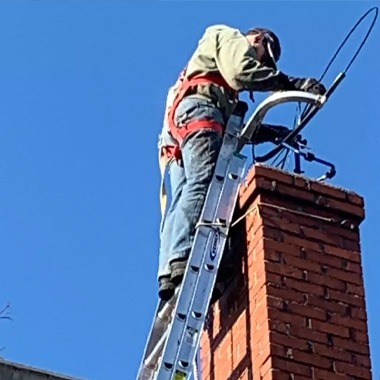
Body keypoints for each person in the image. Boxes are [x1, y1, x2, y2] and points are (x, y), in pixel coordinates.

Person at [157, 25, 326, 301]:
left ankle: (172, 269)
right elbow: (242, 73)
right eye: (263, 59)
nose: (261, 65)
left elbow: (234, 129)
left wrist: (271, 133)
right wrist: (291, 83)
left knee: (187, 193)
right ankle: (185, 259)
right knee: (205, 185)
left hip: (181, 131)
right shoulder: (231, 37)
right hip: (199, 115)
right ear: (260, 40)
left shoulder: (213, 70)